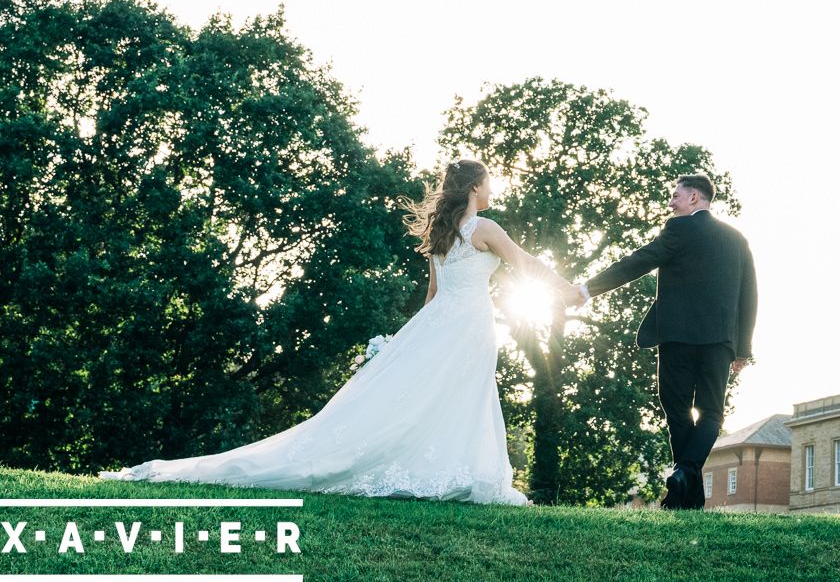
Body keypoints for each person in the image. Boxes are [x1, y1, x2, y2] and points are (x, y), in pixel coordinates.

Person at [103, 158, 575, 503]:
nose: (492, 187)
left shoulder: (443, 235)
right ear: (475, 186)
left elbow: (432, 297)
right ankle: (458, 472)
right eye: (488, 180)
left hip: (443, 322)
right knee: (459, 394)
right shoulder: (484, 227)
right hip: (467, 324)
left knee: (440, 396)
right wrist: (565, 289)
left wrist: (409, 342)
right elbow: (525, 263)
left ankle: (459, 471)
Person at [570, 173, 756, 510]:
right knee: (712, 413)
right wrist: (743, 348)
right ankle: (688, 495)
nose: (671, 203)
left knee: (678, 412)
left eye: (676, 196)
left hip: (677, 338)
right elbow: (750, 297)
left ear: (695, 199)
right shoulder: (737, 239)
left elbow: (638, 261)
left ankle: (683, 473)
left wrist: (588, 289)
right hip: (720, 342)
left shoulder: (679, 229)